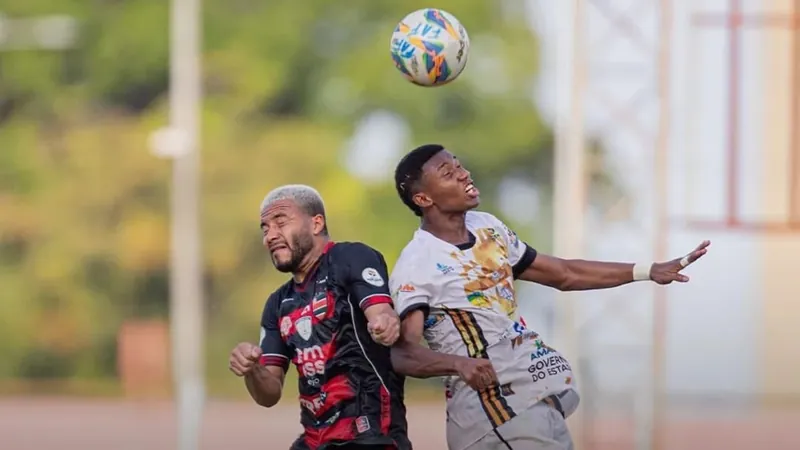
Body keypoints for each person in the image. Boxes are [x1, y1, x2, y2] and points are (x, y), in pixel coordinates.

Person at [388, 144, 710, 450]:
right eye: (448, 173)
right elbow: (403, 354)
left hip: (533, 397)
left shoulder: (487, 228)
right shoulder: (418, 263)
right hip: (495, 410)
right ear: (423, 198)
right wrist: (458, 363)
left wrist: (648, 270)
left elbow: (563, 274)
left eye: (459, 165)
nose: (463, 174)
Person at [228, 184, 412, 450]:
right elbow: (269, 394)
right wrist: (251, 369)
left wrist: (385, 323)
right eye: (265, 228)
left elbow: (381, 313)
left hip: (371, 434)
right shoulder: (278, 303)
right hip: (315, 440)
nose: (270, 235)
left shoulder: (350, 257)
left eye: (280, 222)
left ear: (316, 224)